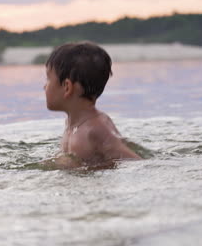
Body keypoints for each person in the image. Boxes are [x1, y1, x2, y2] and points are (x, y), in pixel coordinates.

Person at [42, 41, 141, 169]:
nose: (44, 86)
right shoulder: (72, 124)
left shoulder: (95, 129)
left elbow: (135, 161)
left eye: (48, 79)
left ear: (67, 87)